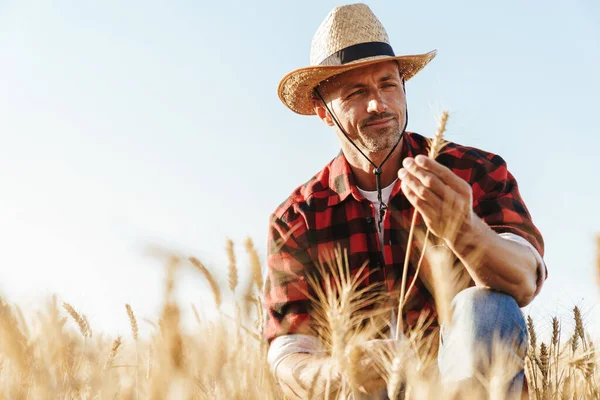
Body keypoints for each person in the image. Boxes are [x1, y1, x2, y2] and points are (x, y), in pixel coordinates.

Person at [264, 3, 546, 399]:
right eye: (356, 92)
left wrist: (464, 229)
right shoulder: (298, 219)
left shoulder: (474, 171)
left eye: (388, 84)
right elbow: (287, 350)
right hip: (367, 392)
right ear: (323, 112)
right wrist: (338, 371)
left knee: (484, 305)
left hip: (467, 386)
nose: (378, 104)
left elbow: (524, 281)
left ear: (404, 87)